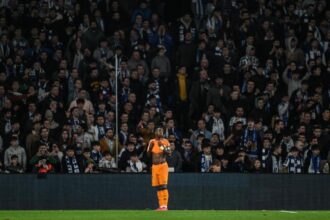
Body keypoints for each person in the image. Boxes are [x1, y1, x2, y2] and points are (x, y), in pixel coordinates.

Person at [147, 127, 170, 211]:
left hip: (162, 165)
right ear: (155, 132)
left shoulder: (165, 141)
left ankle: (165, 206)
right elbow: (148, 155)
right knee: (158, 187)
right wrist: (150, 147)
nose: (160, 132)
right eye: (158, 130)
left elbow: (169, 153)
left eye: (161, 130)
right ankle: (161, 206)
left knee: (163, 186)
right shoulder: (151, 141)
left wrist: (162, 147)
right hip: (154, 166)